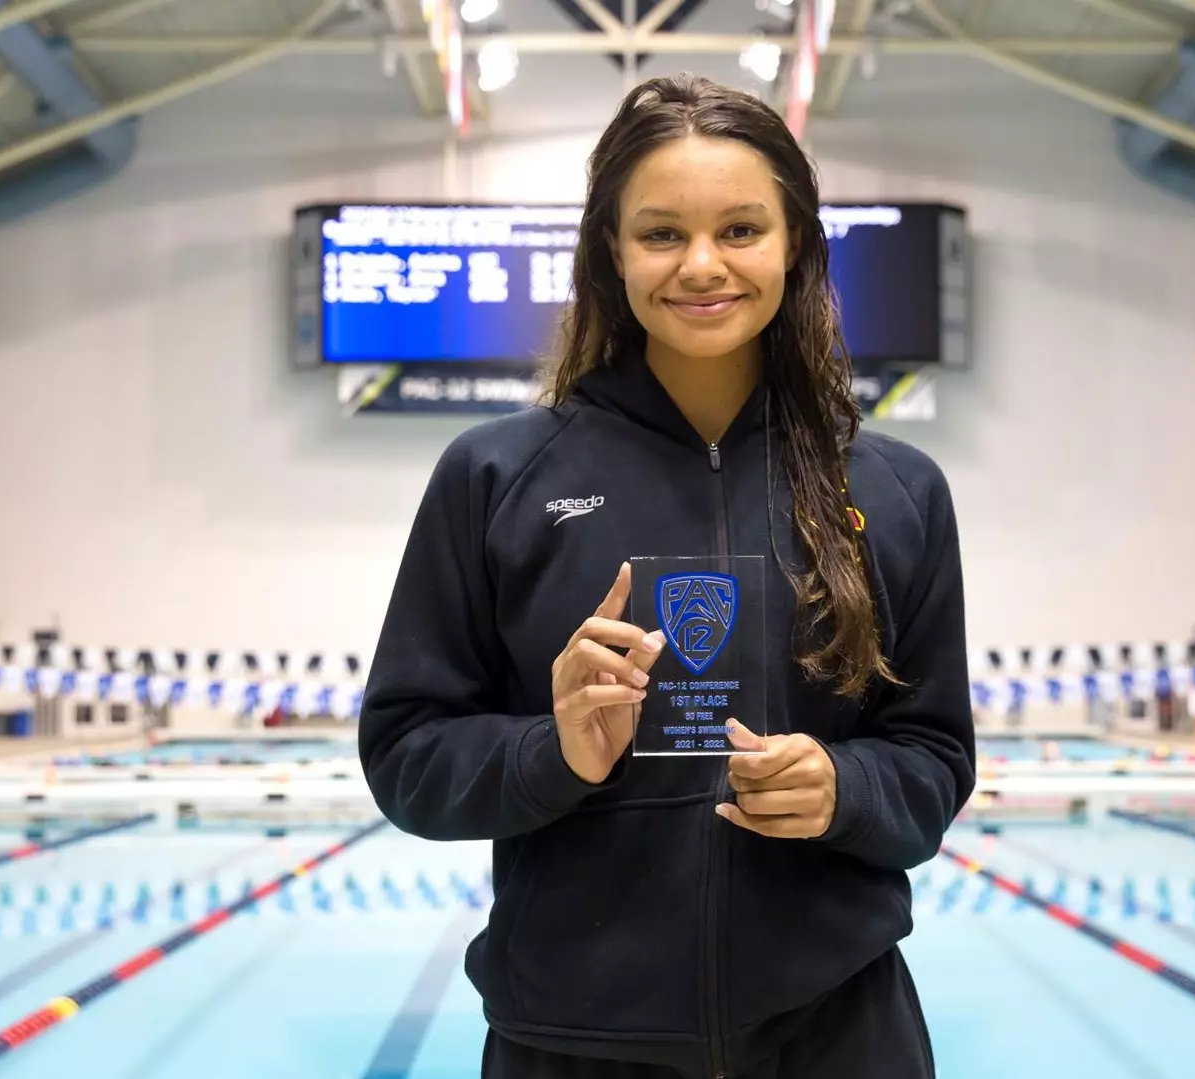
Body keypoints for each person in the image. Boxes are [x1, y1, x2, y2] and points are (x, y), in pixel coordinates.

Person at [357, 74, 974, 1079]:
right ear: (609, 250)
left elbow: (934, 755)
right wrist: (552, 751)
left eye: (739, 229)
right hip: (572, 1040)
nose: (701, 266)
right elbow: (406, 755)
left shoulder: (895, 487)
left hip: (838, 1031)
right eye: (660, 234)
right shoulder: (497, 475)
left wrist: (843, 785)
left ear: (796, 246)